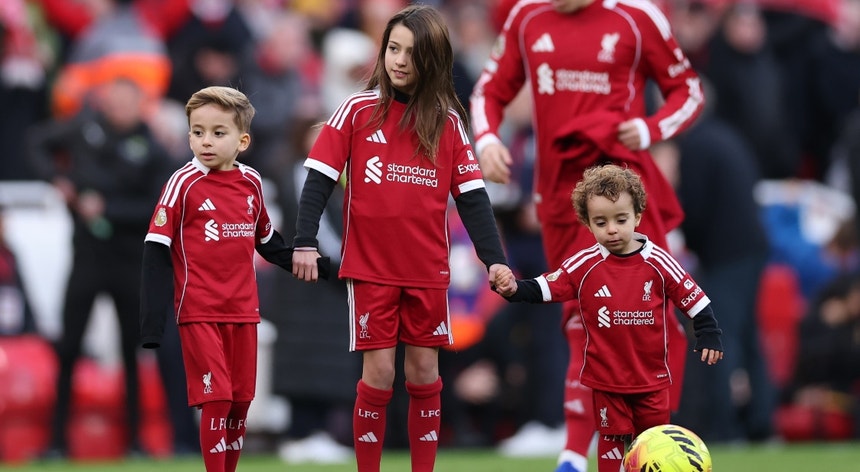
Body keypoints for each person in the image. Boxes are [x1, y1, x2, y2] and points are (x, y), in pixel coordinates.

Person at [470, 1, 704, 470]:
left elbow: (689, 92)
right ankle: (591, 451)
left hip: (620, 186)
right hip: (559, 196)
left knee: (637, 315)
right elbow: (489, 90)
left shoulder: (638, 18)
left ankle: (598, 451)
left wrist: (650, 127)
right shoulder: (527, 18)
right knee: (580, 314)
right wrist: (488, 137)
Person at [290, 6, 511, 472]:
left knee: (424, 372)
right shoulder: (356, 110)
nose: (399, 60)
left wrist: (494, 260)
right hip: (370, 269)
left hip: (428, 272)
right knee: (380, 373)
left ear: (433, 59)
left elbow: (473, 200)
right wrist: (304, 240)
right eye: (393, 48)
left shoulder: (448, 123)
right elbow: (317, 180)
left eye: (412, 52)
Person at [138, 85, 327, 472]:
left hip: (243, 310)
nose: (205, 141)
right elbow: (156, 249)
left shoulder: (252, 183)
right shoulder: (182, 184)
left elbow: (267, 242)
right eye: (197, 131)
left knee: (241, 400)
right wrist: (152, 322)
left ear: (243, 140)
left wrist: (312, 264)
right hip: (200, 310)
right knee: (218, 397)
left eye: (217, 132)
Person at [493, 164, 724, 472]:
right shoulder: (585, 264)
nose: (612, 229)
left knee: (653, 444)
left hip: (651, 380)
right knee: (612, 440)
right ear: (588, 224)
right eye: (600, 222)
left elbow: (692, 296)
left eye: (621, 219)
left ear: (638, 217)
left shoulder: (658, 261)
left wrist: (709, 332)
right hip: (607, 381)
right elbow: (550, 286)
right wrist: (514, 289)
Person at [26, 76, 175, 458]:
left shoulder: (153, 149)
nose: (119, 109)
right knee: (70, 346)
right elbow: (36, 142)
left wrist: (109, 210)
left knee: (131, 350)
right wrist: (57, 179)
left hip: (129, 261)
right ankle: (56, 442)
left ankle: (136, 442)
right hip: (87, 258)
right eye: (114, 101)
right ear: (105, 103)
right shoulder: (83, 129)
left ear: (141, 105)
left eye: (128, 102)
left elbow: (157, 208)